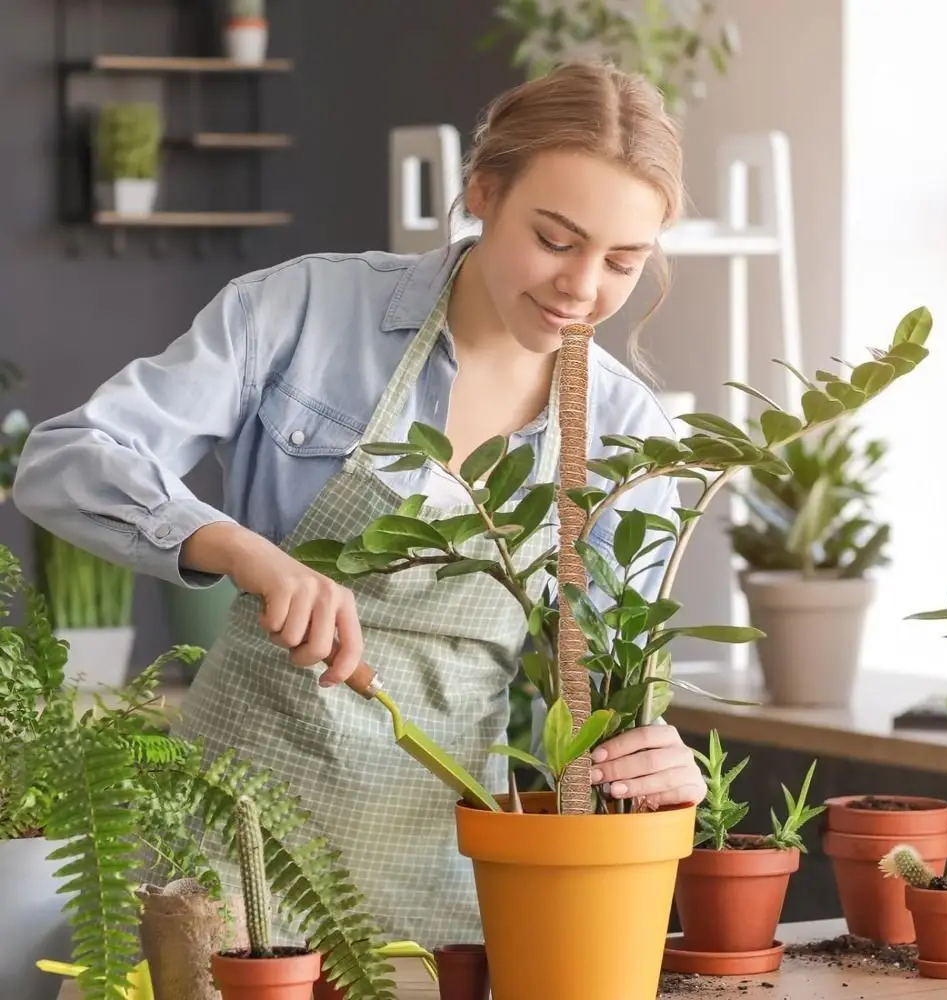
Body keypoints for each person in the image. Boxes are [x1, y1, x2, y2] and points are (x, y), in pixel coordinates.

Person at [13, 61, 707, 946]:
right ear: (483, 193)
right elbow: (68, 458)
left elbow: (610, 684)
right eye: (556, 239)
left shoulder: (622, 431)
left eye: (622, 261)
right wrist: (239, 550)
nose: (582, 288)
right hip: (230, 833)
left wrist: (652, 753)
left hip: (446, 861)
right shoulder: (305, 309)